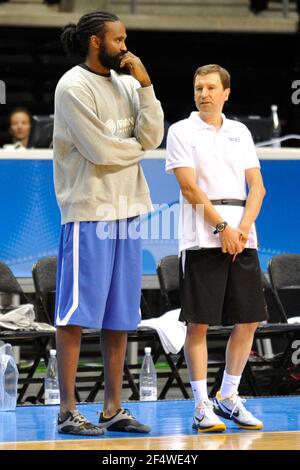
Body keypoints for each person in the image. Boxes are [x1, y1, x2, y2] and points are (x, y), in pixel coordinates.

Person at [53, 10, 164, 435]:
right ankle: (67, 411)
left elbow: (153, 135)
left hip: (129, 208)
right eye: (119, 39)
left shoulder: (126, 82)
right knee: (75, 314)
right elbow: (100, 150)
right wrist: (136, 147)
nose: (126, 46)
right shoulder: (72, 86)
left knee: (120, 316)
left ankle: (112, 408)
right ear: (96, 42)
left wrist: (147, 84)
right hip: (88, 212)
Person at [166, 64, 266, 433]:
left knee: (249, 319)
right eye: (198, 87)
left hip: (243, 236)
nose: (203, 93)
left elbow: (257, 187)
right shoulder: (180, 131)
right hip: (201, 239)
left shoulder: (241, 132)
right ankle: (200, 405)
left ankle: (228, 396)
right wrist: (221, 227)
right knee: (199, 324)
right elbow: (190, 189)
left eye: (210, 87)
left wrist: (240, 229)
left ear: (226, 92)